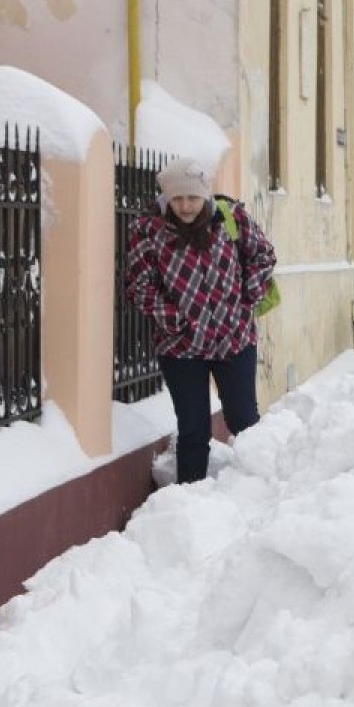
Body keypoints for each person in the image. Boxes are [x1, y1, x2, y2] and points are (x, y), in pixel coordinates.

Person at [126, 156, 277, 484]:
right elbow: (138, 285)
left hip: (234, 339)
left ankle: (263, 487)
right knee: (193, 429)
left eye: (192, 197)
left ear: (205, 195)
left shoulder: (231, 218)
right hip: (180, 346)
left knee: (245, 421)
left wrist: (246, 298)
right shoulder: (148, 231)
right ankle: (191, 501)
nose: (185, 206)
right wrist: (174, 319)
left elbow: (263, 255)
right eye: (177, 198)